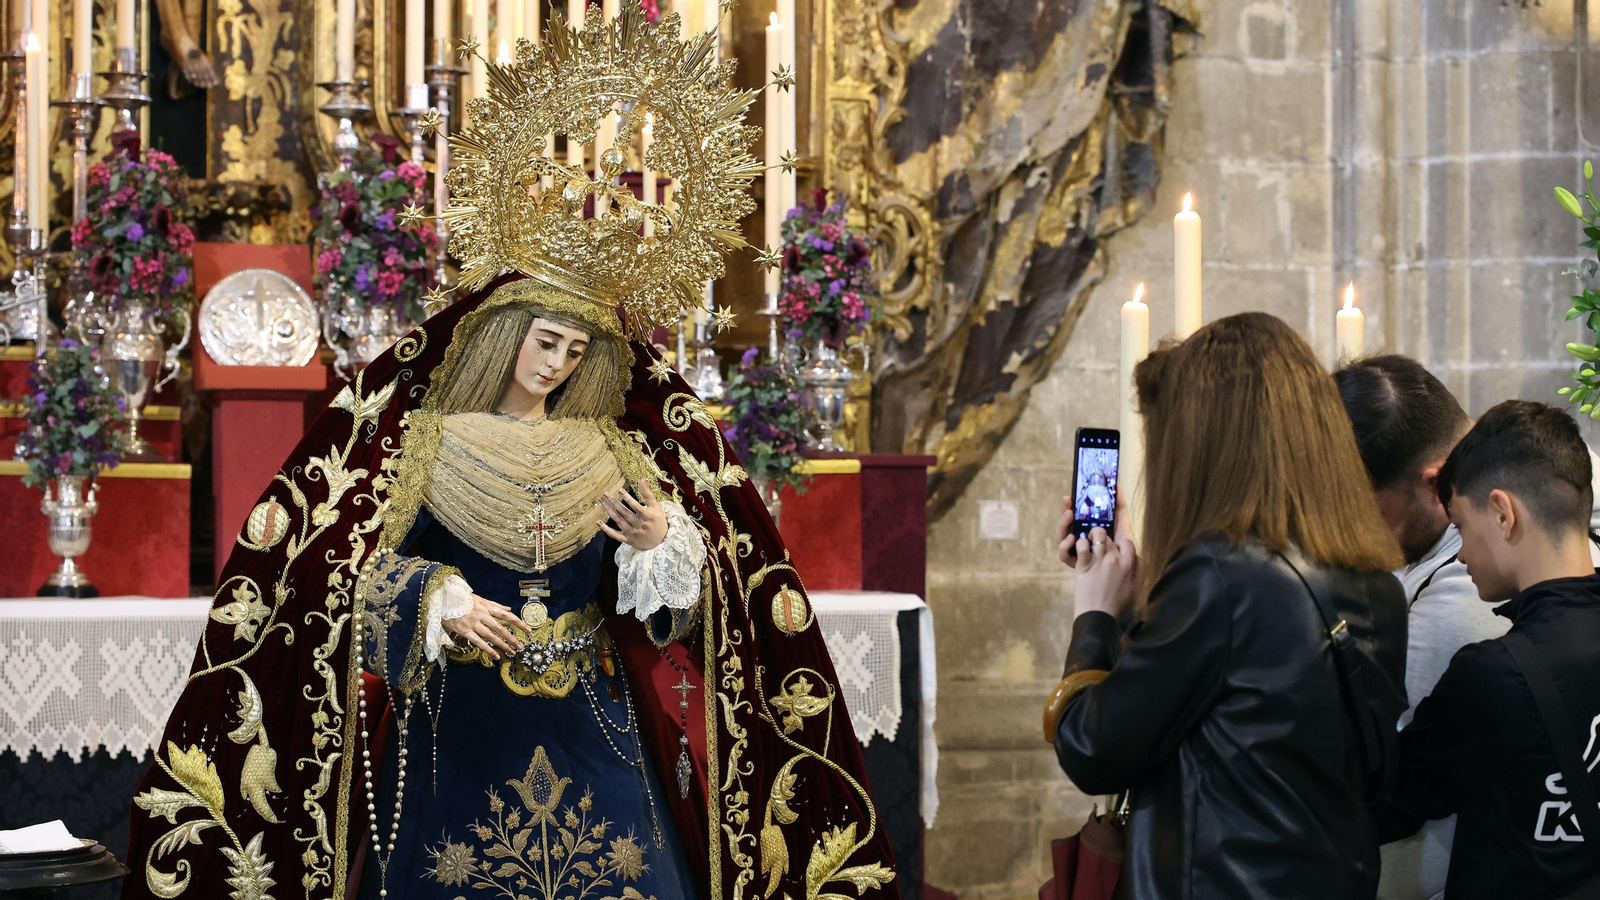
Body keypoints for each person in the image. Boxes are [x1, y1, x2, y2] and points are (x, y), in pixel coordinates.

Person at [118, 15, 899, 900]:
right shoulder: (428, 439)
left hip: (593, 728)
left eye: (575, 350)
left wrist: (658, 546)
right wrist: (435, 596)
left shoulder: (609, 446)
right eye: (545, 339)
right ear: (505, 334)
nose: (557, 362)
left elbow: (678, 621)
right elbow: (343, 573)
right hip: (458, 728)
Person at [1046, 312, 1408, 900]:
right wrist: (1139, 597)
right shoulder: (1378, 585)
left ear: (1205, 447)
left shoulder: (1219, 576)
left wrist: (1095, 616)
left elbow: (1092, 749)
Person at [1377, 400, 1600, 900]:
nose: (1460, 553)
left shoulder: (1496, 676)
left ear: (1503, 513)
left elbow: (1383, 803)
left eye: (1460, 526)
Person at [1334, 357, 1497, 900]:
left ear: (1434, 486)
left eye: (1358, 509)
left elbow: (1370, 789)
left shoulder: (1462, 595)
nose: (1346, 530)